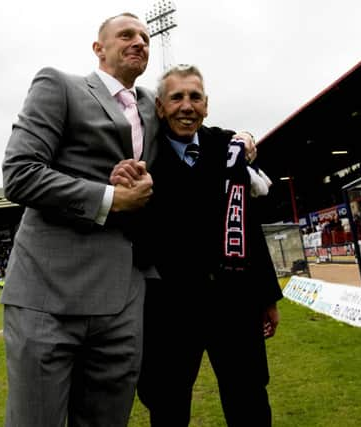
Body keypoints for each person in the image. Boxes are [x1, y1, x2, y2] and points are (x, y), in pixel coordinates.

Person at [0, 12, 159, 426]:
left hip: (123, 298)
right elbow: (20, 173)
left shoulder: (151, 106)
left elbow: (194, 126)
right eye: (126, 34)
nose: (140, 41)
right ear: (98, 48)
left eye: (144, 36)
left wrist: (243, 141)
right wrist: (112, 199)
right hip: (48, 295)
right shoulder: (60, 85)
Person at [111, 64, 282, 426]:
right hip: (170, 309)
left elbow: (249, 227)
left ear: (206, 106)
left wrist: (266, 296)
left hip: (235, 302)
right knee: (168, 404)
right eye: (176, 97)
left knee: (249, 398)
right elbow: (134, 237)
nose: (186, 106)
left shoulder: (227, 149)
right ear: (159, 107)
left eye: (195, 97)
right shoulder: (143, 159)